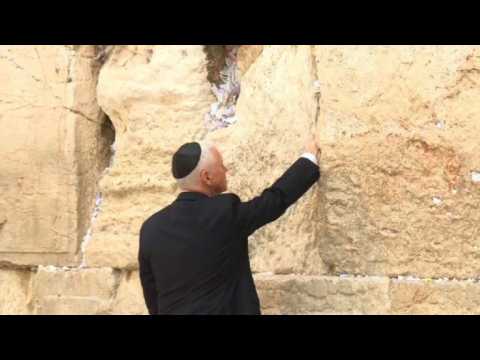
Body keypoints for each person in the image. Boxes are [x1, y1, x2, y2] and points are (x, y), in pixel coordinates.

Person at [138, 136, 321, 315]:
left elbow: (153, 298)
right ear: (207, 177)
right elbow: (272, 202)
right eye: (221, 165)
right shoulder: (223, 213)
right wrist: (309, 158)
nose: (226, 169)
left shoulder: (150, 229)